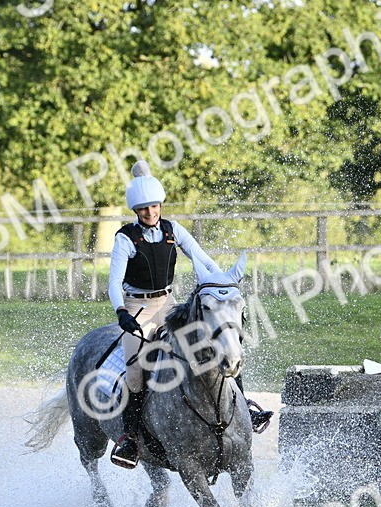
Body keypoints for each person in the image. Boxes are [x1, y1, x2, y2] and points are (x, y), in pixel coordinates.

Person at [108, 160, 272, 469]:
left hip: (170, 305)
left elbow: (201, 258)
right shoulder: (125, 238)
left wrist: (221, 280)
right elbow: (114, 283)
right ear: (136, 211)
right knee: (135, 372)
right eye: (144, 210)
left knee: (223, 346)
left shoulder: (173, 230)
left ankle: (245, 409)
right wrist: (121, 313)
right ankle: (131, 438)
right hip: (137, 310)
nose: (151, 213)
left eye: (154, 207)